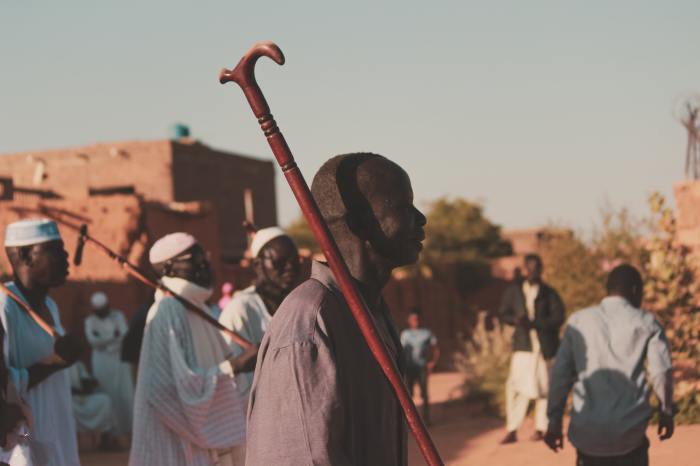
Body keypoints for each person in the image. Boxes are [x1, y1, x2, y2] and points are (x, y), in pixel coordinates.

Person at [246, 153, 426, 465]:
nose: (420, 218)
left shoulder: (374, 312)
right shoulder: (310, 321)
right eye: (403, 205)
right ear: (359, 222)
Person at [129, 232, 258, 466]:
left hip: (204, 441)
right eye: (195, 260)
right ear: (169, 267)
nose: (204, 266)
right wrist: (235, 367)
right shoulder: (168, 310)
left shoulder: (200, 309)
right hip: (175, 438)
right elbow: (165, 388)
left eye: (205, 259)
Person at [545, 264, 674, 465]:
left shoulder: (579, 321)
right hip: (630, 438)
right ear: (635, 290)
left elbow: (560, 376)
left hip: (588, 438)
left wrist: (554, 422)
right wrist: (666, 411)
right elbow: (661, 373)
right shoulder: (647, 322)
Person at [0, 219, 82, 466]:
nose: (66, 257)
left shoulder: (50, 306)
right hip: (23, 436)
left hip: (57, 428)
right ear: (25, 255)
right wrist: (54, 363)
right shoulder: (5, 307)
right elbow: (3, 386)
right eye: (55, 250)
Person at [219, 227, 300, 396]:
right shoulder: (240, 309)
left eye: (294, 261)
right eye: (280, 262)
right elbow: (236, 382)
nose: (290, 267)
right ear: (258, 265)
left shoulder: (299, 304)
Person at [498, 253, 564, 444]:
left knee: (544, 387)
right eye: (530, 267)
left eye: (537, 268)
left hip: (544, 347)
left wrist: (536, 323)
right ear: (526, 269)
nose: (533, 271)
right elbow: (504, 313)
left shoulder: (549, 293)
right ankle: (512, 429)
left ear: (541, 270)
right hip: (523, 346)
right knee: (515, 387)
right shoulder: (514, 291)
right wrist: (516, 321)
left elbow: (558, 318)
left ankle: (541, 428)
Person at [84, 291, 134, 441]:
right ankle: (110, 435)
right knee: (107, 393)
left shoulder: (118, 316)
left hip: (119, 360)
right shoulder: (90, 321)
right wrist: (113, 337)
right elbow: (93, 341)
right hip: (101, 362)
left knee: (125, 394)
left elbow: (124, 334)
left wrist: (105, 341)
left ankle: (129, 431)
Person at [400, 308, 439, 425]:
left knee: (424, 394)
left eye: (417, 319)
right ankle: (409, 421)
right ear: (409, 321)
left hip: (422, 367)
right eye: (413, 319)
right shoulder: (405, 334)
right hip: (409, 367)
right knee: (408, 394)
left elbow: (435, 348)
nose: (415, 321)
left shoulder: (426, 333)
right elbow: (401, 350)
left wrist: (432, 362)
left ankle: (426, 419)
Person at [68, 361, 115, 449]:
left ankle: (105, 439)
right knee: (66, 407)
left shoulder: (78, 364)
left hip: (83, 397)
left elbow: (87, 382)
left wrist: (89, 383)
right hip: (69, 400)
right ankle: (69, 443)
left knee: (104, 399)